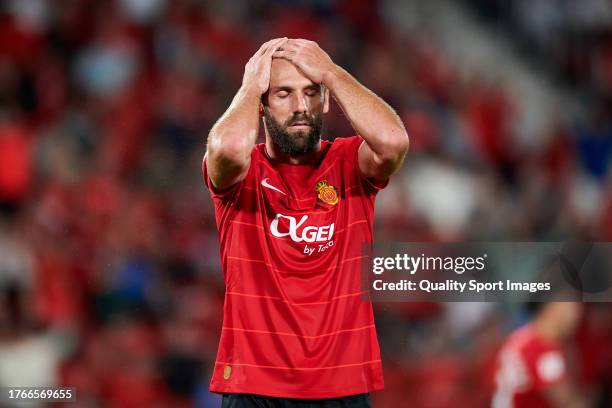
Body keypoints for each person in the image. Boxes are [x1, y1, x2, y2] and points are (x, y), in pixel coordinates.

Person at [202, 37, 409, 407]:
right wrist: (251, 84)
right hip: (255, 385)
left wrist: (331, 72)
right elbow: (227, 149)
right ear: (261, 106)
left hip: (341, 385)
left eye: (312, 92)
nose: (301, 106)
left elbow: (393, 141)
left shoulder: (348, 163)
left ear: (326, 99)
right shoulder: (241, 176)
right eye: (283, 94)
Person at [492, 302, 587, 408]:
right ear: (551, 308)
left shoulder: (522, 337)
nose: (576, 315)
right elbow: (567, 402)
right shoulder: (542, 349)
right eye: (570, 308)